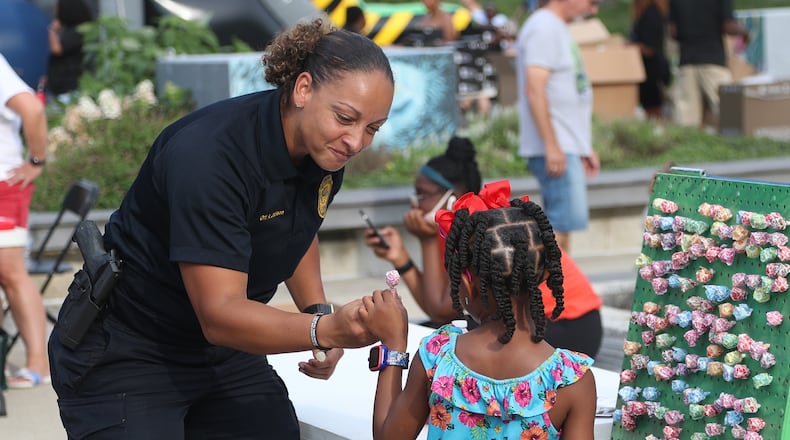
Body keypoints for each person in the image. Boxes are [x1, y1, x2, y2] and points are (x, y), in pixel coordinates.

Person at [48, 18, 394, 438]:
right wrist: (325, 330)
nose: (355, 142)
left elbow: (296, 227)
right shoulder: (210, 157)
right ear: (303, 89)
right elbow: (220, 313)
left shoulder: (322, 151)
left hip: (225, 353)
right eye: (346, 118)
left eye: (372, 128)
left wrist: (315, 311)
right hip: (132, 349)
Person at [360, 180, 597, 439]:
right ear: (544, 275)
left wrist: (393, 345)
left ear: (466, 284)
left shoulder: (437, 356)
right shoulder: (572, 381)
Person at [364, 143, 603, 357]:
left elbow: (442, 309)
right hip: (536, 321)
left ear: (452, 197)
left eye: (422, 194)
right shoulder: (460, 225)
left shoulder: (478, 228)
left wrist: (425, 241)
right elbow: (440, 305)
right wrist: (401, 259)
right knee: (429, 331)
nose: (414, 202)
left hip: (569, 326)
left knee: (438, 339)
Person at [515, 0, 601, 253]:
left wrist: (583, 145)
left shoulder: (554, 26)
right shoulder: (543, 26)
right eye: (593, 1)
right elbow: (535, 90)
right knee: (558, 233)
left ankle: (559, 288)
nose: (594, 9)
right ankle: (557, 290)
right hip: (556, 146)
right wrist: (552, 145)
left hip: (564, 143)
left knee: (562, 229)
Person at [0, 53, 50, 389]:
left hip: (4, 185)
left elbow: (33, 109)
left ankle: (39, 364)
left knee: (11, 274)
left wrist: (37, 161)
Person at [668, 0, 749, 128]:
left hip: (687, 61)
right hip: (713, 60)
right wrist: (745, 32)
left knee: (687, 118)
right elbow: (729, 26)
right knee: (729, 113)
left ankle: (688, 146)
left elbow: (673, 32)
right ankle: (735, 145)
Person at [46, 0, 95, 99]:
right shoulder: (68, 29)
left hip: (70, 87)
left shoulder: (79, 30)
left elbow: (57, 49)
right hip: (63, 86)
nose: (55, 10)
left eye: (57, 7)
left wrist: (52, 30)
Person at [630, 0, 670, 120]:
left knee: (654, 112)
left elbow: (650, 49)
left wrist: (631, 47)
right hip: (650, 69)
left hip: (652, 70)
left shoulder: (652, 13)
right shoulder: (651, 13)